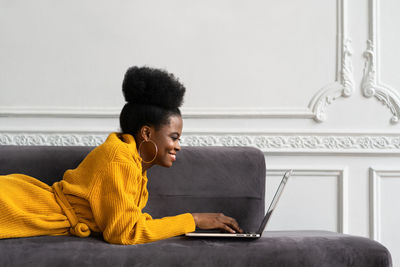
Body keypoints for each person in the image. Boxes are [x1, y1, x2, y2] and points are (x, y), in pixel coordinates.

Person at [0, 66, 243, 244]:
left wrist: (192, 221)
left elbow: (129, 224)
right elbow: (125, 233)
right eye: (174, 137)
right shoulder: (120, 158)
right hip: (17, 204)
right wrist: (194, 219)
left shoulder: (133, 162)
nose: (178, 146)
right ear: (146, 133)